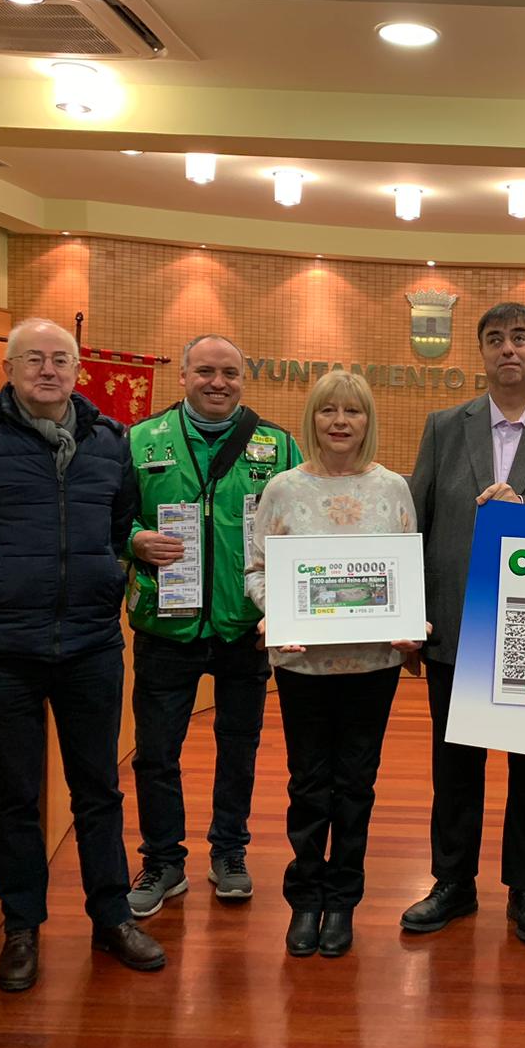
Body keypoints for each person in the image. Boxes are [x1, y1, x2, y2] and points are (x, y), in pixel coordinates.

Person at [0, 318, 164, 992]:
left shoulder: (110, 442)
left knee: (99, 791)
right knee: (16, 799)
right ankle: (22, 928)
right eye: (34, 359)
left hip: (90, 643)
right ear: (11, 369)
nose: (48, 370)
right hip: (2, 649)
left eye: (60, 359)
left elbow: (120, 526)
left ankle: (112, 919)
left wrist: (108, 576)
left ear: (78, 370)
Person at [402, 301, 525, 944]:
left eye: (521, 338)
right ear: (482, 353)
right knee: (454, 767)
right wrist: (412, 616)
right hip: (456, 627)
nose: (508, 349)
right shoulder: (443, 425)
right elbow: (418, 521)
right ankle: (452, 885)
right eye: (495, 340)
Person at [124, 334, 301, 919]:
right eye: (205, 371)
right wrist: (132, 540)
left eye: (229, 372)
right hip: (164, 625)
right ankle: (163, 860)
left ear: (243, 380)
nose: (217, 382)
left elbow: (304, 530)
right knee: (155, 753)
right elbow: (105, 516)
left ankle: (229, 851)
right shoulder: (141, 440)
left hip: (243, 625)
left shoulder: (277, 447)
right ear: (183, 376)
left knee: (239, 746)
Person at [245, 370, 421, 958]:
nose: (340, 422)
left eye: (353, 411)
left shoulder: (394, 487)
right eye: (328, 411)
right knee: (307, 783)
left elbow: (405, 575)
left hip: (372, 667)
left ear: (369, 421)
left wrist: (410, 625)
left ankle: (343, 900)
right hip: (303, 669)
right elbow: (256, 571)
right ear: (312, 418)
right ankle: (304, 900)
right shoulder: (283, 489)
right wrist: (279, 613)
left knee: (356, 785)